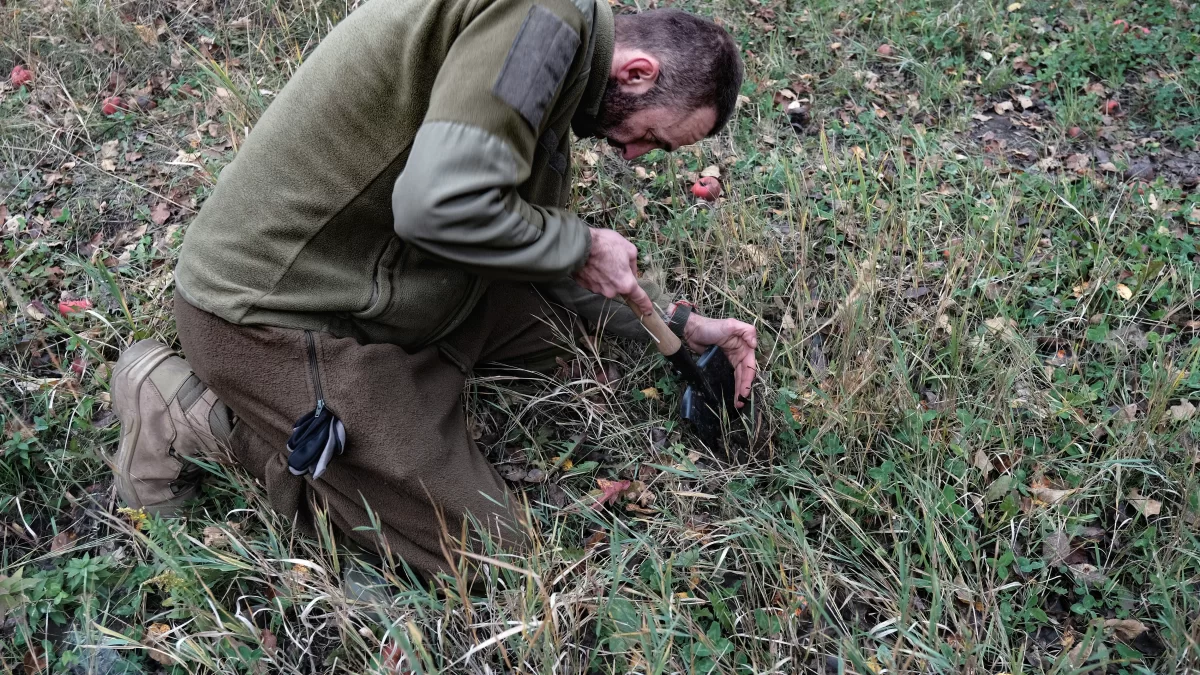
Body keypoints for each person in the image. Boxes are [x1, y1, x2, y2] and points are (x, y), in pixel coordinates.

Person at [109, 0, 758, 579]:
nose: (637, 155)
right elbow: (441, 206)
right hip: (271, 313)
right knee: (494, 551)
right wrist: (582, 242)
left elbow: (541, 259)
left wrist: (678, 323)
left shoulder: (552, 68)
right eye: (653, 136)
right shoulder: (541, 22)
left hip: (384, 276)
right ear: (638, 73)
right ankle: (197, 415)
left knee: (557, 325)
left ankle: (402, 392)